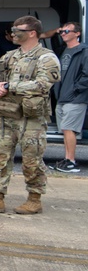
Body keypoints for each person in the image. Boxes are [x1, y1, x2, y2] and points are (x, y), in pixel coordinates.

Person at [0, 16, 60, 214]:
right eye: (13, 29)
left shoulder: (47, 57)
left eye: (18, 30)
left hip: (32, 118)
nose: (13, 33)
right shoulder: (10, 56)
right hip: (6, 115)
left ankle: (34, 199)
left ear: (32, 33)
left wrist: (9, 87)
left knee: (31, 160)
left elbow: (43, 84)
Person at [50, 22, 88, 173]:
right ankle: (67, 160)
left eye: (66, 31)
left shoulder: (84, 51)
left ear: (77, 33)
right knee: (65, 130)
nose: (63, 34)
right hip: (62, 96)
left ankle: (71, 162)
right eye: (61, 31)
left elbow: (87, 75)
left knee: (68, 128)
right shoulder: (63, 51)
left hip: (75, 97)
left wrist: (76, 90)